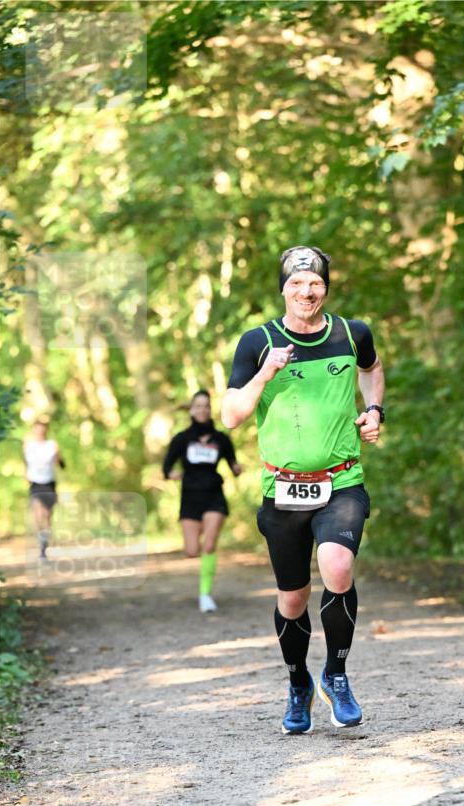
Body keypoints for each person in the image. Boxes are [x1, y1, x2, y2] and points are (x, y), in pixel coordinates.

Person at [222, 245, 385, 734]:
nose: (306, 291)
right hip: (283, 489)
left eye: (314, 283)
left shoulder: (352, 333)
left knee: (337, 566)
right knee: (292, 599)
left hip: (342, 481)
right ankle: (299, 684)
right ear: (283, 289)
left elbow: (372, 370)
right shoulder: (257, 342)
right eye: (296, 283)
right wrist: (267, 371)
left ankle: (336, 674)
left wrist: (374, 411)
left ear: (325, 287)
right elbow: (231, 415)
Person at [163, 389, 242, 612]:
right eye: (198, 405)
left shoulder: (221, 439)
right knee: (192, 550)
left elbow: (232, 465)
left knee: (209, 545)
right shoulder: (181, 439)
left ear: (210, 410)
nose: (203, 409)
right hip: (190, 498)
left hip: (214, 496)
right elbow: (166, 467)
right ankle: (203, 588)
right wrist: (171, 474)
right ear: (191, 410)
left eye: (206, 405)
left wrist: (237, 469)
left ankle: (205, 595)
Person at [24, 418, 64, 560]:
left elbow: (61, 463)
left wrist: (58, 458)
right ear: (34, 429)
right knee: (38, 514)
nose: (40, 431)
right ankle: (40, 545)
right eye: (37, 428)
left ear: (46, 430)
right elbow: (25, 461)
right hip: (35, 484)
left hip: (49, 483)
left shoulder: (52, 445)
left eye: (42, 428)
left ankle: (44, 544)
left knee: (47, 515)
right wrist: (26, 474)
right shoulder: (29, 444)